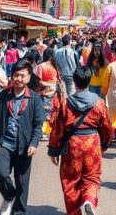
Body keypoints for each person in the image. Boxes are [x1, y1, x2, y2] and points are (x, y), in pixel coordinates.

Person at [47, 66, 112, 215]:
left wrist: (54, 150)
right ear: (89, 81)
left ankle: (75, 212)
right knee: (92, 176)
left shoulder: (66, 103)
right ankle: (89, 199)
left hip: (72, 145)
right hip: (92, 143)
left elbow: (58, 128)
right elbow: (107, 126)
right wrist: (105, 144)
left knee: (70, 180)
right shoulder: (99, 103)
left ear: (74, 82)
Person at [0, 60, 45, 215]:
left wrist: (34, 143)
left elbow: (38, 123)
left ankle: (19, 212)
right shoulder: (4, 94)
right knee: (1, 174)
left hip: (24, 146)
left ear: (28, 77)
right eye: (16, 75)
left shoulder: (34, 98)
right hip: (4, 144)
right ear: (12, 76)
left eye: (23, 76)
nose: (19, 79)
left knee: (22, 182)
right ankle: (9, 196)